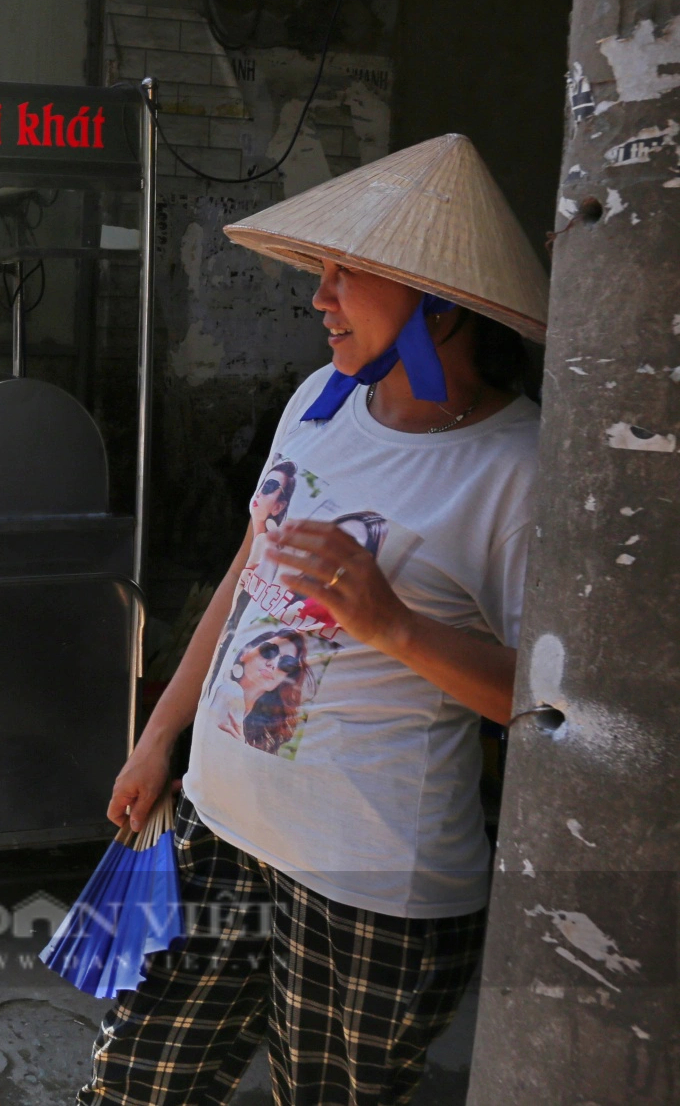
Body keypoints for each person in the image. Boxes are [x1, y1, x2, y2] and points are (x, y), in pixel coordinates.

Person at [81, 134, 550, 1105]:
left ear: (439, 301)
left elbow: (542, 705)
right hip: (218, 829)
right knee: (133, 1082)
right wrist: (159, 735)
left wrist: (393, 626)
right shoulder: (319, 402)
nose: (316, 297)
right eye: (320, 272)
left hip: (369, 890)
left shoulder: (516, 467)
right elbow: (243, 575)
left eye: (345, 275)